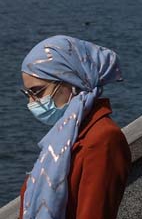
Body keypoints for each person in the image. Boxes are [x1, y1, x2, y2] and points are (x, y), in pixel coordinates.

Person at [19, 36, 130, 219]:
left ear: (71, 82)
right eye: (28, 94)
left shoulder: (103, 139)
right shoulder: (61, 137)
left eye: (37, 92)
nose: (32, 102)